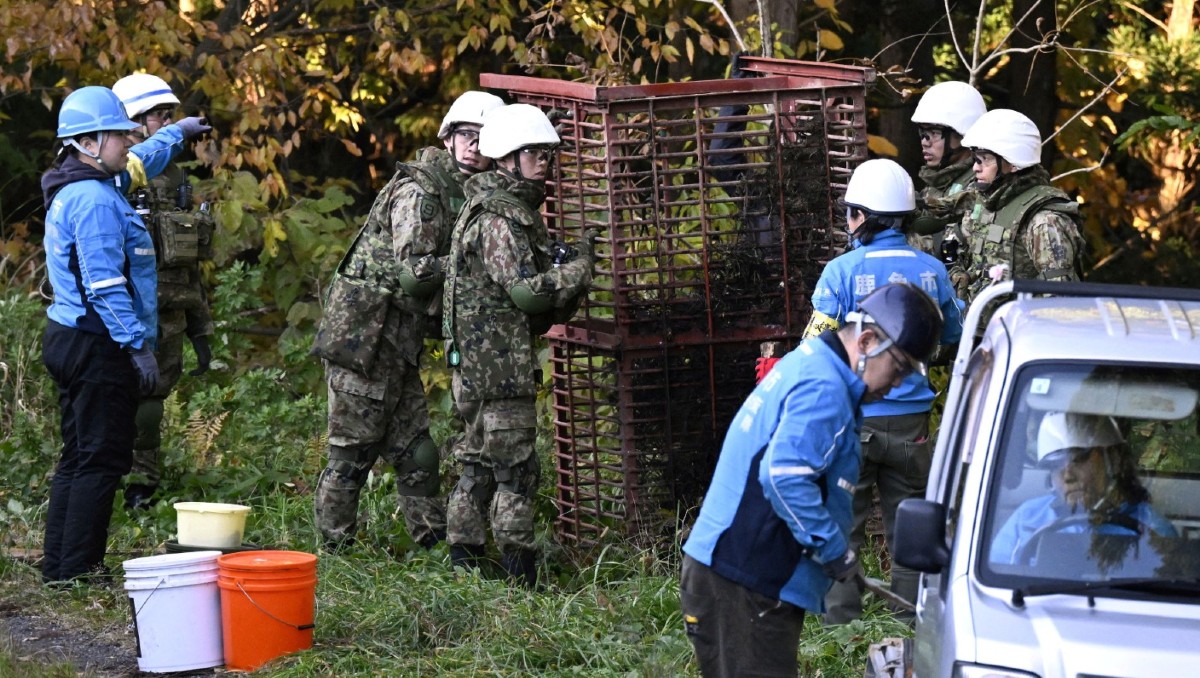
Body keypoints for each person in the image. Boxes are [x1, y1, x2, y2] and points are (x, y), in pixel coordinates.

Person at [680, 282, 944, 677]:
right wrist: (834, 550)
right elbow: (785, 477)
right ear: (868, 340)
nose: (899, 384)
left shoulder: (815, 363)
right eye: (899, 367)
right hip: (744, 580)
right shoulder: (825, 388)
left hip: (737, 575)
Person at [311, 90, 505, 551]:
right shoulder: (424, 190)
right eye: (466, 136)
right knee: (353, 450)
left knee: (416, 450)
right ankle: (334, 549)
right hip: (366, 334)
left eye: (484, 138)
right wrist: (470, 263)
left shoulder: (467, 192)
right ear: (449, 137)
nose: (474, 146)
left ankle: (431, 543)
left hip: (398, 337)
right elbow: (415, 274)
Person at [40, 86, 207, 584]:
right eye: (119, 134)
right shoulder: (93, 200)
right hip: (97, 344)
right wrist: (136, 344)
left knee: (80, 455)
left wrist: (175, 133)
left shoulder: (88, 182)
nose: (128, 141)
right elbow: (105, 282)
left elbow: (141, 159)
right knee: (103, 458)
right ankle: (78, 570)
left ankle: (61, 565)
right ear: (89, 142)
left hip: (73, 337)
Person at [800, 159, 964, 624]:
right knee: (910, 525)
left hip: (856, 420)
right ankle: (910, 618)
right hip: (913, 424)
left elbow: (815, 345)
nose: (848, 222)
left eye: (851, 212)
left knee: (843, 520)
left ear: (865, 217)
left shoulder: (840, 271)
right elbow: (954, 334)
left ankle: (841, 623)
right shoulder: (933, 270)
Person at [442, 103, 597, 588]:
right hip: (497, 368)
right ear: (508, 158)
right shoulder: (501, 218)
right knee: (514, 472)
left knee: (479, 461)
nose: (544, 162)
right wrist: (578, 268)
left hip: (479, 363)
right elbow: (526, 295)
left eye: (547, 154)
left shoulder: (493, 207)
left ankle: (465, 563)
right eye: (534, 154)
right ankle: (520, 577)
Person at [112, 73, 216, 509]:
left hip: (170, 309)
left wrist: (201, 328)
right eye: (160, 115)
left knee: (151, 404)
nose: (168, 123)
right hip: (123, 310)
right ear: (134, 120)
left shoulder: (173, 176)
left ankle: (142, 486)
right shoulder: (119, 171)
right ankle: (105, 478)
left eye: (171, 116)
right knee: (118, 401)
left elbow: (186, 258)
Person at [991, 412, 1176, 566]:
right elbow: (997, 587)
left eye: (1078, 460)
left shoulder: (1152, 527)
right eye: (1055, 466)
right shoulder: (1026, 518)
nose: (1067, 475)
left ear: (1113, 459)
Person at [949, 109, 1084, 316]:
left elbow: (1059, 303)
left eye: (985, 159)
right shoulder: (985, 203)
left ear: (1012, 164)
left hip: (1020, 336)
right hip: (977, 331)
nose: (976, 168)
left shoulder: (1044, 221)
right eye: (976, 159)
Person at [908, 81, 987, 256]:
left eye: (934, 133)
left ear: (963, 135)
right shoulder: (938, 183)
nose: (924, 141)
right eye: (922, 133)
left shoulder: (981, 183)